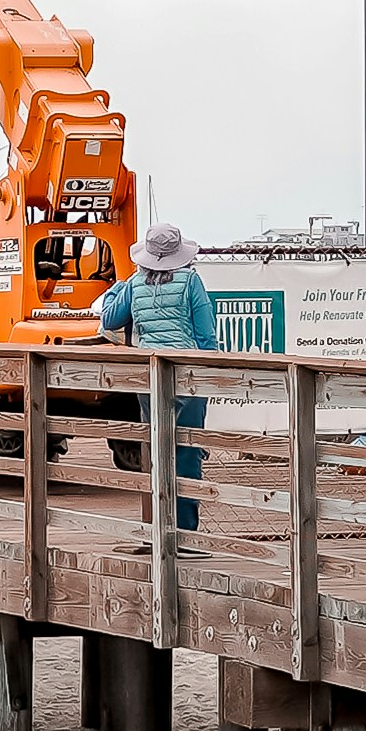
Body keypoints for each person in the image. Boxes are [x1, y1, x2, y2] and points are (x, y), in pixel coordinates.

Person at [95, 221, 216, 529]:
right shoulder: (191, 282)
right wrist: (211, 375)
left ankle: (159, 526)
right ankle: (185, 529)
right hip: (187, 375)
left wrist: (114, 290)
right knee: (187, 451)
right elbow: (205, 336)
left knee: (157, 449)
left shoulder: (134, 284)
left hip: (149, 377)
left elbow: (109, 320)